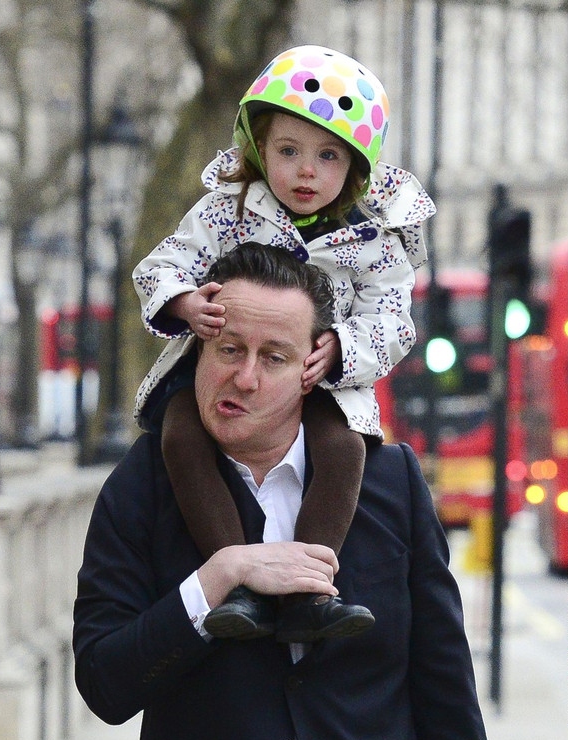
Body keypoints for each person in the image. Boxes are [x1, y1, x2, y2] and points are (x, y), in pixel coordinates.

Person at [73, 243, 496, 740]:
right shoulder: (139, 485)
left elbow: (446, 692)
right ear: (197, 350)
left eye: (273, 357)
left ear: (310, 371)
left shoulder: (390, 481)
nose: (243, 378)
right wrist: (216, 580)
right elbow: (106, 686)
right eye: (228, 349)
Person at [131, 45, 436, 642]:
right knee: (180, 436)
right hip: (226, 370)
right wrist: (185, 302)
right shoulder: (228, 207)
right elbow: (163, 263)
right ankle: (240, 587)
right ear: (258, 150)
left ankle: (308, 591)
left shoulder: (373, 238)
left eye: (327, 157)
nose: (305, 172)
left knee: (342, 451)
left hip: (320, 377)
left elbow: (396, 321)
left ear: (354, 168)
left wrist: (344, 347)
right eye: (288, 151)